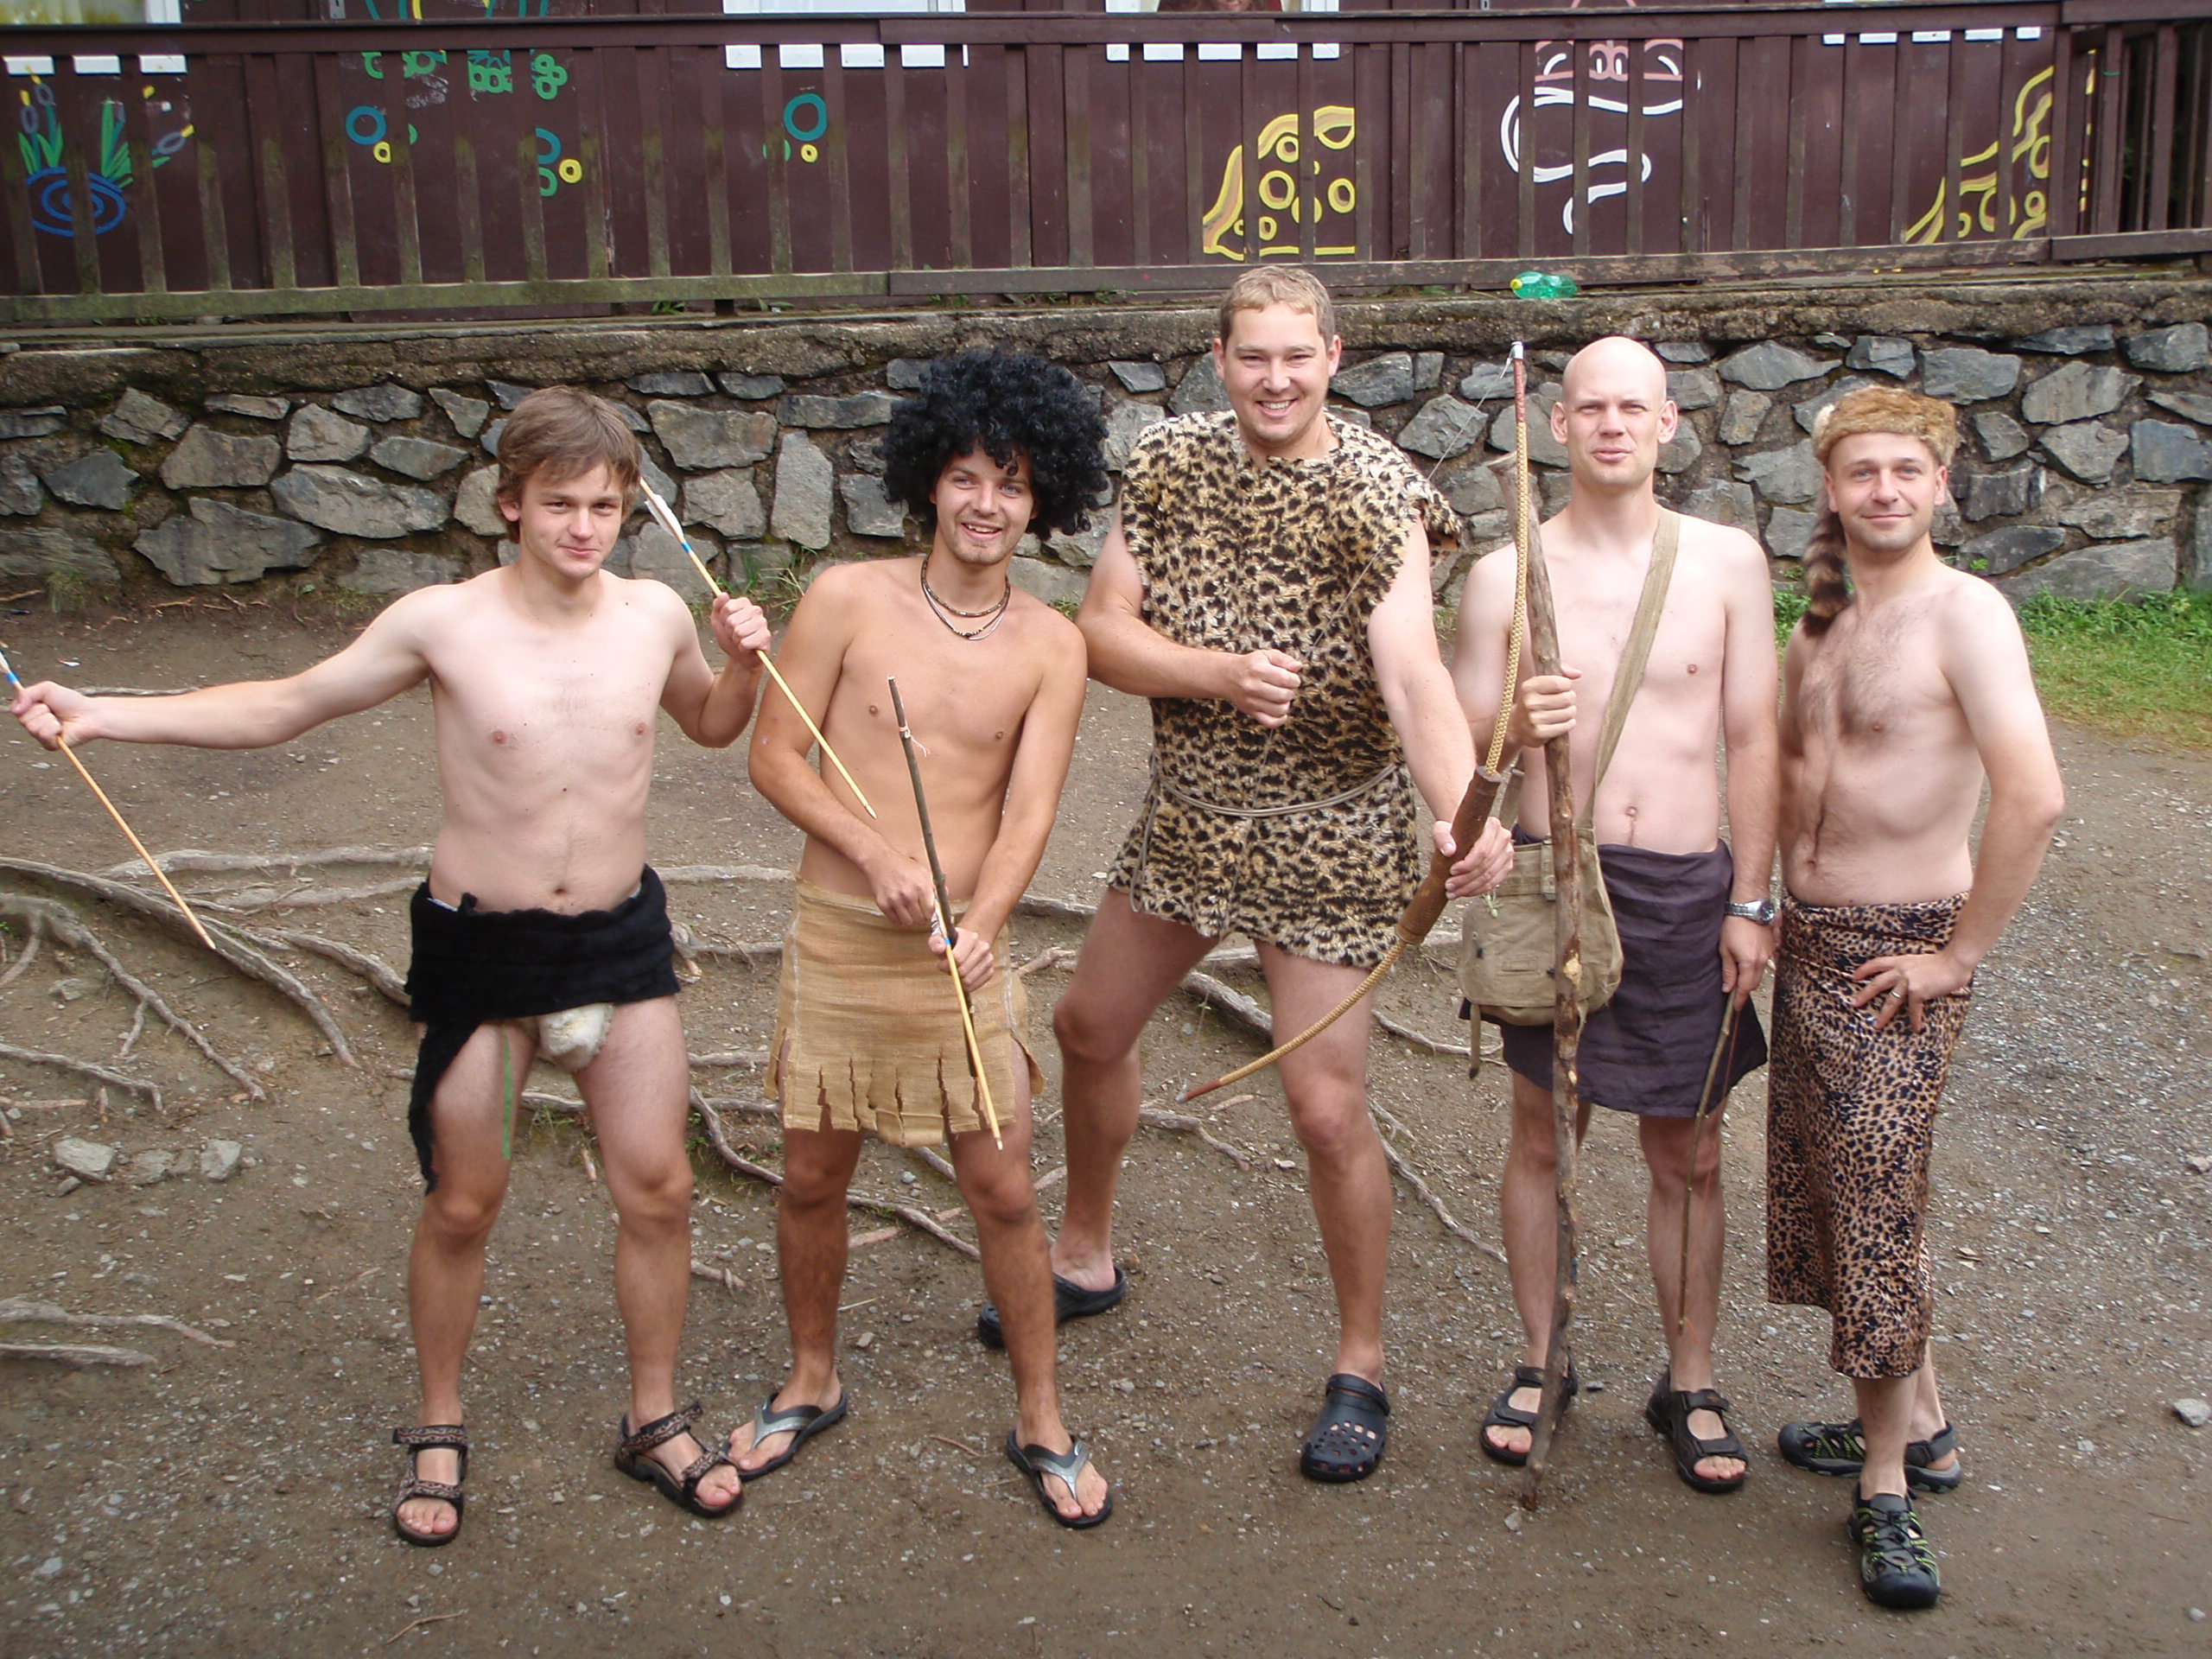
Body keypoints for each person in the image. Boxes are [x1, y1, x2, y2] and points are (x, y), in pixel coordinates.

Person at [9, 388, 772, 1543]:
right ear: (509, 503)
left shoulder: (658, 614)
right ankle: (438, 1420)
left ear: (630, 511)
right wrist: (107, 713)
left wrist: (745, 664)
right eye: (558, 503)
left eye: (605, 506)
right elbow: (287, 705)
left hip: (618, 943)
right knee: (464, 1202)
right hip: (483, 953)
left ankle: (653, 1416)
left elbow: (712, 724)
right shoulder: (443, 623)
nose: (582, 527)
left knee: (659, 1191)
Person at [1025, 265, 1514, 1484]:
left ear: (1334, 357)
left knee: (1325, 1109)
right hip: (1191, 816)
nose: (1276, 378)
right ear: (1220, 358)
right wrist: (1218, 673)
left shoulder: (1378, 492)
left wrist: (1459, 813)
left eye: (1299, 356)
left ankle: (1362, 1363)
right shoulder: (1170, 463)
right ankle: (1083, 1254)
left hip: (1331, 832)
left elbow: (1412, 675)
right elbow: (1101, 633)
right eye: (1254, 356)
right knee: (1087, 1027)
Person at [738, 351, 1114, 1528]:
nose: (986, 504)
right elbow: (773, 757)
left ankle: (1042, 1414)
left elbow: (1031, 812)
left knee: (1002, 1189)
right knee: (813, 1176)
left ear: (1042, 498)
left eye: (1012, 482)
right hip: (842, 935)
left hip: (960, 957)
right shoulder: (846, 598)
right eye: (965, 477)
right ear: (928, 484)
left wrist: (986, 922)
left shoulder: (1054, 644)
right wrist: (875, 854)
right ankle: (812, 1377)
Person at [1452, 335, 1778, 1493]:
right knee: (1545, 1135)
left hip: (1688, 888)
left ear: (1668, 423)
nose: (1610, 426)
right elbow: (1460, 749)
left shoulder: (1728, 564)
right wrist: (1513, 724)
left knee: (1689, 1149)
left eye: (1632, 408)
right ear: (1556, 424)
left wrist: (1752, 898)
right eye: (1589, 407)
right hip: (1556, 884)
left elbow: (1754, 737)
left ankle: (1690, 1378)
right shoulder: (1504, 576)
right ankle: (1543, 1359)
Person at [1768, 386, 2063, 1608]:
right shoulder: (1820, 623)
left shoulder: (1965, 615)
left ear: (1942, 485)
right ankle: (1921, 1425)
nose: (1884, 490)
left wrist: (1957, 958)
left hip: (1899, 962)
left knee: (1878, 1210)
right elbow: (1783, 777)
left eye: (1906, 471)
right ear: (1831, 491)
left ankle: (1886, 1489)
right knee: (1839, 1198)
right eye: (1862, 472)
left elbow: (2034, 795)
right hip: (1806, 946)